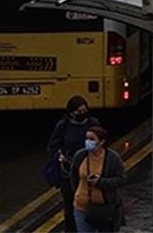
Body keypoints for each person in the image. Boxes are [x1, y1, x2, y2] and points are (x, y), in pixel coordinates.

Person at [48, 96, 100, 233]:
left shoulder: (93, 123)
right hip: (69, 172)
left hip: (89, 168)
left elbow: (101, 143)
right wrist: (59, 155)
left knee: (89, 201)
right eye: (79, 111)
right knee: (70, 203)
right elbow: (53, 145)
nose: (82, 113)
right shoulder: (63, 125)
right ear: (71, 112)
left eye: (84, 110)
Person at [69, 126, 125, 233]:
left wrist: (100, 182)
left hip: (105, 210)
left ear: (102, 142)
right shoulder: (80, 156)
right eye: (87, 138)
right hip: (81, 207)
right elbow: (74, 177)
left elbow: (121, 179)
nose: (87, 142)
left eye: (92, 139)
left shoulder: (113, 158)